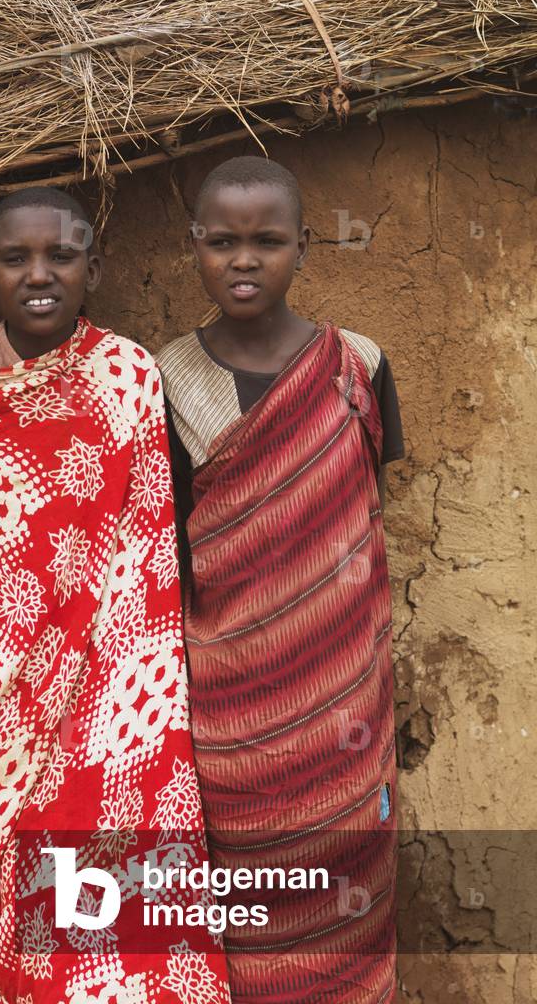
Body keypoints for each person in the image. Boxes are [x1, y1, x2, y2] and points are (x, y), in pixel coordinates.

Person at [0, 188, 230, 1004]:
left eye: (63, 257)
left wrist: (106, 666)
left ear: (95, 267)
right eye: (16, 260)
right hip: (5, 707)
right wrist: (16, 668)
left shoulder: (124, 376)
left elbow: (148, 543)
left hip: (123, 702)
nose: (39, 275)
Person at [156, 156, 405, 1003]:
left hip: (345, 705)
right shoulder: (164, 381)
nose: (243, 260)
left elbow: (363, 514)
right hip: (231, 715)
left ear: (304, 245)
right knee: (255, 923)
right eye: (221, 241)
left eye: (267, 241)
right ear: (193, 247)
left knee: (350, 914)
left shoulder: (358, 366)